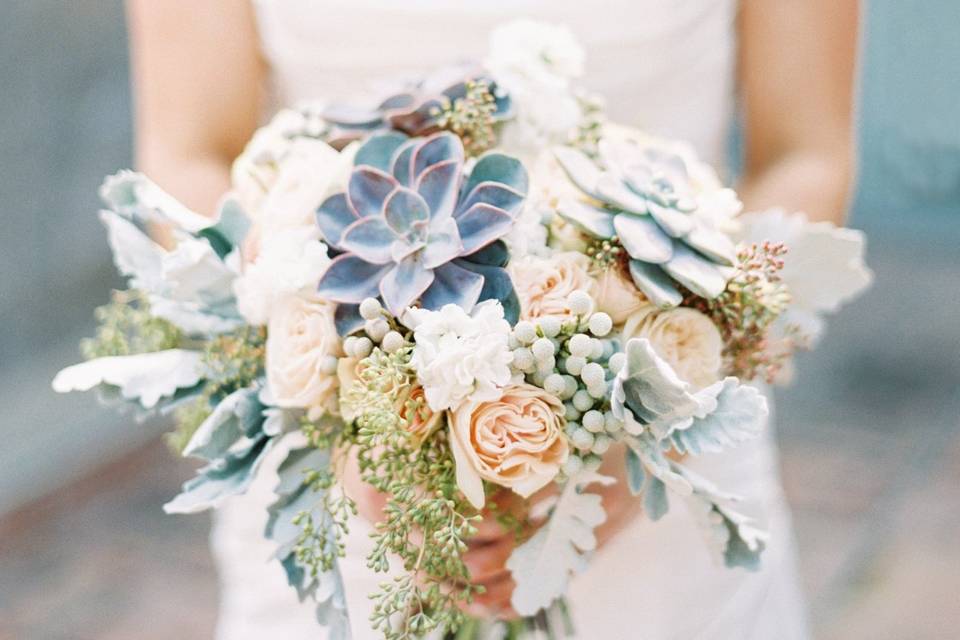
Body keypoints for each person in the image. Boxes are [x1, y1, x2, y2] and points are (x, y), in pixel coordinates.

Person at [127, 1, 858, 638]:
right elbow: (190, 154)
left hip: (666, 491)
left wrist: (640, 440)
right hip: (346, 494)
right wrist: (358, 431)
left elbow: (803, 155)